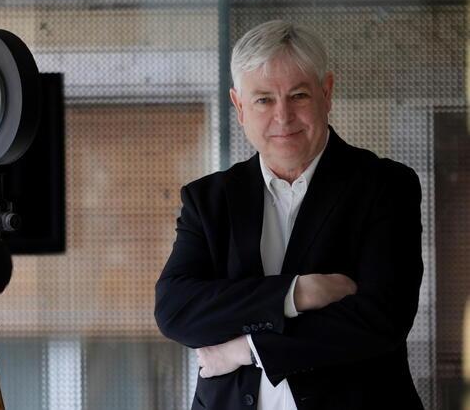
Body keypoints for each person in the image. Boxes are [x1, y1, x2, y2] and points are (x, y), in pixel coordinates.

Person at [154, 20, 424, 410]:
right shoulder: (209, 199)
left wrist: (246, 349)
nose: (283, 117)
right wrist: (296, 293)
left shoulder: (385, 186)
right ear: (239, 106)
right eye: (263, 99)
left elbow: (381, 318)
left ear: (326, 92)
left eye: (298, 95)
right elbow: (175, 310)